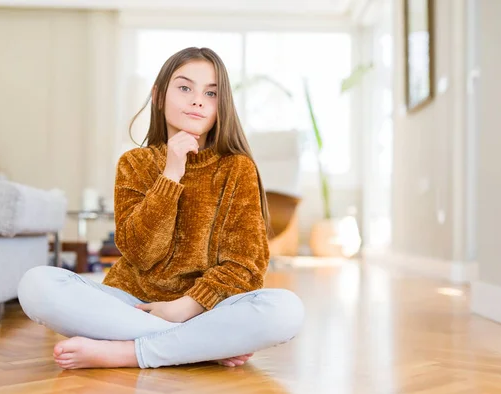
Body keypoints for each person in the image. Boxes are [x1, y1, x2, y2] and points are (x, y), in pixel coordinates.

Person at [17, 47, 305, 370]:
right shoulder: (134, 164)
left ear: (220, 106)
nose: (197, 100)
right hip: (131, 304)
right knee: (35, 285)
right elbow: (140, 253)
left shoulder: (238, 169)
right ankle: (199, 346)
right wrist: (171, 174)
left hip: (204, 309)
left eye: (210, 93)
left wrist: (185, 307)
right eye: (185, 88)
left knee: (287, 311)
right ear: (158, 96)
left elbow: (246, 267)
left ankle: (127, 353)